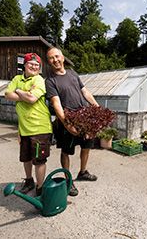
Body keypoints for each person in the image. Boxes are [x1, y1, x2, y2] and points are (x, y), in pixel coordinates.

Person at [45, 47, 99, 197]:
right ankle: (68, 180)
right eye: (51, 58)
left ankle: (83, 172)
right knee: (66, 151)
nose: (55, 60)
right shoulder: (50, 81)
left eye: (57, 56)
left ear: (62, 57)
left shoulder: (73, 73)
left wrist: (96, 106)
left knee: (87, 146)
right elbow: (56, 104)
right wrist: (67, 124)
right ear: (49, 62)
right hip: (69, 119)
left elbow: (85, 92)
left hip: (84, 117)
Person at [5, 53, 52, 196]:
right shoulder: (17, 78)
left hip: (40, 127)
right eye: (31, 64)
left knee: (39, 160)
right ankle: (29, 180)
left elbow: (32, 99)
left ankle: (40, 188)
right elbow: (7, 94)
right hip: (24, 128)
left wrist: (18, 91)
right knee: (25, 158)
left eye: (37, 65)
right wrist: (24, 93)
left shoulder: (38, 80)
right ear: (24, 65)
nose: (34, 66)